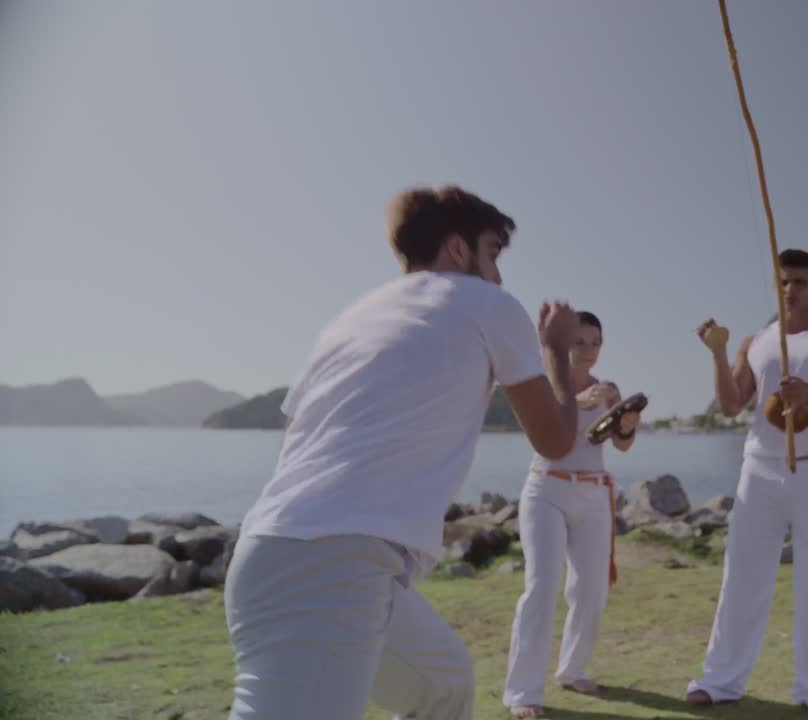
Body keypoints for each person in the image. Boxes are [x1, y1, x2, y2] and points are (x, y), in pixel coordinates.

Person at [224, 186, 584, 720]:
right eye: (493, 254)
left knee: (444, 686)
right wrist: (557, 350)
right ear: (458, 250)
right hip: (332, 566)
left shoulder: (350, 320)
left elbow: (294, 440)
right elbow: (555, 441)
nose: (500, 276)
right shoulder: (488, 303)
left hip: (282, 551)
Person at [686, 249, 808, 719]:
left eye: (799, 282)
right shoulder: (756, 342)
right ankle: (720, 680)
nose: (790, 290)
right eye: (783, 282)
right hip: (761, 467)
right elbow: (731, 405)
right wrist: (717, 352)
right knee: (743, 574)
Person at [503, 311, 642, 718]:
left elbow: (622, 446)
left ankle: (573, 668)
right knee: (541, 588)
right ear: (564, 347)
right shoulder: (546, 386)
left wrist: (628, 423)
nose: (588, 350)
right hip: (547, 489)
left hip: (595, 493)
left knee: (591, 589)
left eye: (595, 342)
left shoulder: (609, 391)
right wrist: (575, 402)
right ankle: (523, 693)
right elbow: (545, 428)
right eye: (579, 342)